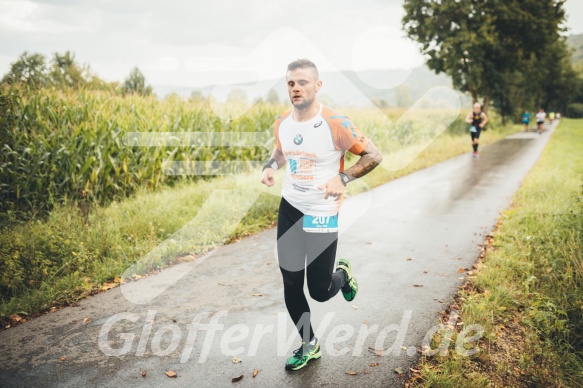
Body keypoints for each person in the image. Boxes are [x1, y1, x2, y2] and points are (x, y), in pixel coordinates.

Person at [260, 59, 383, 371]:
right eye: (291, 83)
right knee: (290, 283)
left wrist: (341, 179)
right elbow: (280, 150)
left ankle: (341, 275)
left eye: (302, 82)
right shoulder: (283, 122)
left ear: (317, 86)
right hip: (289, 208)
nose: (296, 88)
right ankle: (309, 343)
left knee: (319, 290)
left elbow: (374, 155)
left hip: (322, 213)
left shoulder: (336, 123)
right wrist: (270, 167)